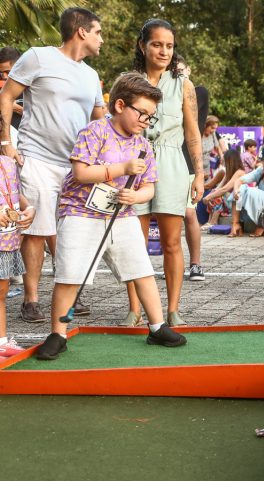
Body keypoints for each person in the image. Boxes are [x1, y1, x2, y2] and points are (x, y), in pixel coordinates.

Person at [34, 72, 186, 360]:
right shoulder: (94, 132)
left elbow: (149, 187)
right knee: (69, 275)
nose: (145, 121)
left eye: (150, 117)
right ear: (119, 106)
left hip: (122, 213)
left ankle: (157, 326)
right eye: (142, 113)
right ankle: (58, 334)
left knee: (141, 270)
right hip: (80, 213)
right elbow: (81, 172)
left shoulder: (143, 144)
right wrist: (121, 169)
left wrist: (136, 196)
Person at [0, 7, 106, 323]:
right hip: (37, 158)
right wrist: (6, 143)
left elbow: (100, 120)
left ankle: (69, 293)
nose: (102, 39)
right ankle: (31, 300)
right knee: (35, 230)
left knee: (72, 231)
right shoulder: (38, 57)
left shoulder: (91, 75)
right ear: (81, 31)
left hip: (77, 167)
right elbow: (6, 97)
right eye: (98, 32)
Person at [129, 18, 205, 328]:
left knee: (173, 242)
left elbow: (193, 132)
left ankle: (173, 309)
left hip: (173, 163)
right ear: (142, 45)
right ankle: (135, 309)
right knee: (135, 242)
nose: (163, 51)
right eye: (157, 44)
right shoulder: (128, 81)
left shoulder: (184, 85)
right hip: (134, 162)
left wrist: (198, 173)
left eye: (169, 46)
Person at [176, 55, 208, 284]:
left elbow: (195, 127)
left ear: (189, 69)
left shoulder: (199, 92)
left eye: (181, 70)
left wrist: (199, 172)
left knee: (189, 213)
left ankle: (195, 264)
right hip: (165, 157)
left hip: (187, 159)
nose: (179, 74)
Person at [0, 156, 36, 360]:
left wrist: (28, 207)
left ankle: (1, 342)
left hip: (6, 239)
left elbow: (16, 194)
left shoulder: (7, 163)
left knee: (1, 292)